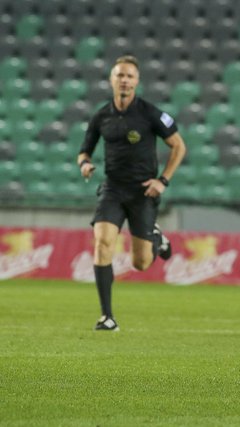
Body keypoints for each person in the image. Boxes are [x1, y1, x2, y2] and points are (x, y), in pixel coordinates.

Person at [78, 55, 187, 332]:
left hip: (143, 192)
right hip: (113, 188)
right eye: (119, 75)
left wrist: (163, 180)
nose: (124, 80)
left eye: (129, 76)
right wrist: (85, 164)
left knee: (140, 263)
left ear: (137, 81)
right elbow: (84, 150)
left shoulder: (150, 113)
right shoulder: (101, 116)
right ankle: (107, 317)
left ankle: (157, 239)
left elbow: (179, 146)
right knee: (102, 243)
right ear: (111, 80)